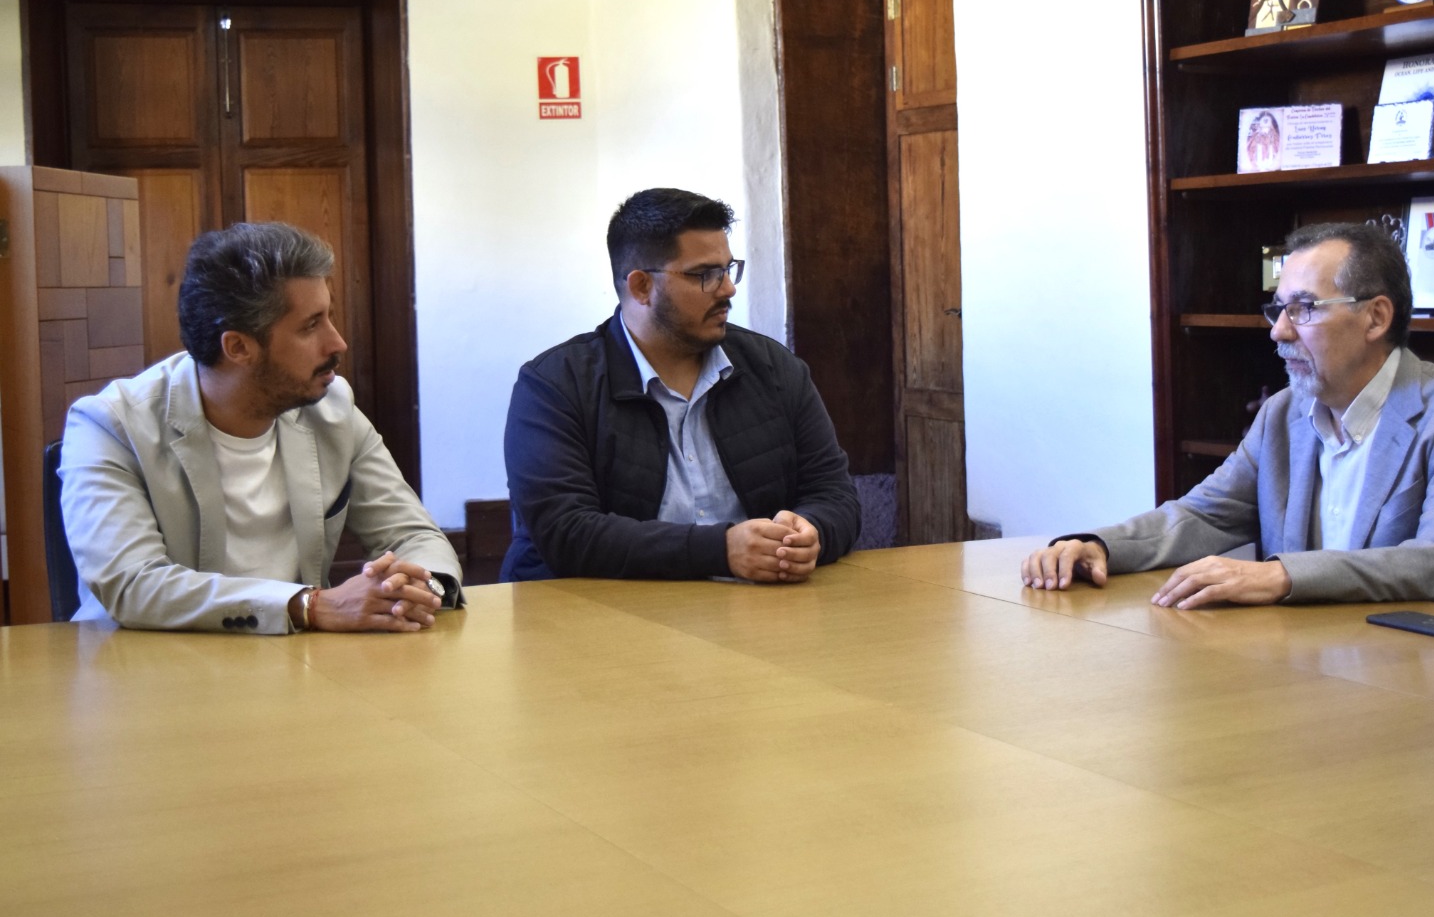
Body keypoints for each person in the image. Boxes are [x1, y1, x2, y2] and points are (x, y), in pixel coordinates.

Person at [1022, 221, 1434, 616]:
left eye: (1303, 309)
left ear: (1376, 318)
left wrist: (1280, 575)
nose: (1279, 332)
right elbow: (1203, 516)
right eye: (1278, 309)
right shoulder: (1284, 413)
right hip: (1323, 658)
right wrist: (1099, 545)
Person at [60, 222, 463, 634]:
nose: (337, 343)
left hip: (297, 665)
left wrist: (418, 586)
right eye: (311, 325)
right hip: (147, 672)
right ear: (238, 347)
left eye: (330, 317)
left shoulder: (332, 406)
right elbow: (132, 584)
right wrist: (310, 605)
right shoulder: (109, 426)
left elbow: (414, 534)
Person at [501, 187, 860, 583]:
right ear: (641, 287)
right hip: (600, 616)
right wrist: (720, 551)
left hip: (753, 610)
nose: (727, 289)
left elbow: (836, 496)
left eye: (728, 269)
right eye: (704, 275)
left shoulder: (773, 368)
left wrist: (813, 531)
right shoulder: (554, 385)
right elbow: (567, 533)